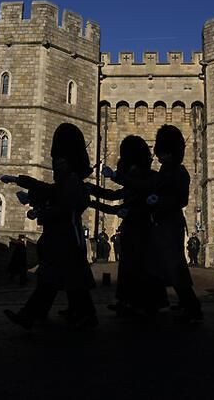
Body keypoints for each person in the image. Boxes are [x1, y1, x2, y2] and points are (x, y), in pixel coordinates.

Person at [2, 123, 96, 329]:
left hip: (67, 237)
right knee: (71, 281)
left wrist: (40, 212)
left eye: (61, 160)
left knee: (52, 279)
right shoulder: (68, 180)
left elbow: (65, 207)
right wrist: (19, 180)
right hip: (63, 237)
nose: (57, 164)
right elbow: (49, 191)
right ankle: (83, 313)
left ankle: (32, 315)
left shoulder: (72, 180)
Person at [89, 135, 168, 316]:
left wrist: (117, 176)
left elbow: (141, 188)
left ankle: (150, 303)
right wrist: (92, 194)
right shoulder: (136, 179)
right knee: (128, 267)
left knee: (144, 267)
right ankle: (127, 301)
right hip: (132, 228)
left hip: (145, 229)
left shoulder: (151, 178)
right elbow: (114, 197)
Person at [146, 125, 202, 323]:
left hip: (170, 222)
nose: (159, 157)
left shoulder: (178, 172)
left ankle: (192, 307)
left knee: (174, 265)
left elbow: (181, 200)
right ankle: (160, 302)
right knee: (157, 264)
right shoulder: (165, 170)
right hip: (162, 222)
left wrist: (158, 202)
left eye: (163, 153)